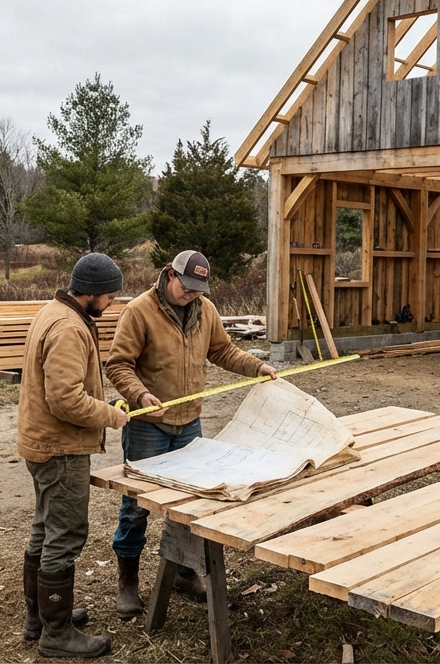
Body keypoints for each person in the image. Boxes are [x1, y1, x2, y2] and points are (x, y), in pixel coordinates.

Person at [105, 250, 277, 619]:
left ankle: (183, 573)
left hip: (189, 423)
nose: (191, 295)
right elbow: (118, 364)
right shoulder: (138, 311)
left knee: (190, 503)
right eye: (186, 287)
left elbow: (223, 350)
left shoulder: (205, 310)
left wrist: (256, 366)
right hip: (148, 427)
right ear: (169, 274)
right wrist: (140, 395)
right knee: (136, 506)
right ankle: (128, 584)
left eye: (199, 290)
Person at [17, 253, 130, 659]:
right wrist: (110, 416)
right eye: (111, 297)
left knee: (44, 530)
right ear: (93, 293)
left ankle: (39, 619)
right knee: (64, 537)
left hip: (42, 442)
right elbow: (65, 399)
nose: (112, 304)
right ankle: (57, 634)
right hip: (60, 448)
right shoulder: (67, 327)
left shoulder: (54, 311)